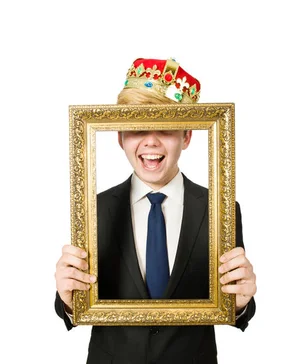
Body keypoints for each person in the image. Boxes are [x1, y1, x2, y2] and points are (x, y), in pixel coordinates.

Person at [54, 58, 257, 364]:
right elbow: (74, 308)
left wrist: (241, 303)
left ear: (187, 136)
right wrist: (69, 300)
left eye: (165, 126)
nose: (150, 140)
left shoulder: (221, 209)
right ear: (120, 136)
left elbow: (235, 308)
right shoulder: (93, 208)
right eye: (137, 128)